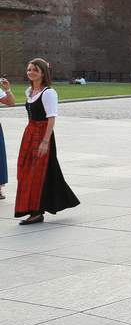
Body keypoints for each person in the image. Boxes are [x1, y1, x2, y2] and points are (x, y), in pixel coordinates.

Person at [2, 59, 79, 225]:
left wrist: (45, 141)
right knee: (26, 171)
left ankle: (37, 212)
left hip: (42, 135)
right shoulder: (29, 91)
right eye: (29, 69)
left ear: (43, 73)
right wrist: (7, 90)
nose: (30, 72)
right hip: (30, 133)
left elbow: (51, 118)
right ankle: (34, 207)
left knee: (38, 173)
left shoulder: (48, 93)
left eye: (35, 70)